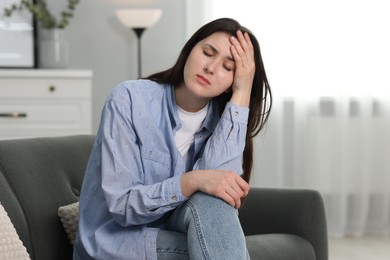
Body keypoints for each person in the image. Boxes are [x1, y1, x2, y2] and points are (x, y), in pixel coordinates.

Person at [73, 17, 272, 260]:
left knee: (213, 204)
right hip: (119, 244)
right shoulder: (129, 99)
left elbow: (219, 195)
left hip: (179, 231)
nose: (210, 67)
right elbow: (123, 206)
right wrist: (192, 180)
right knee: (215, 245)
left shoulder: (223, 122)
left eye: (228, 68)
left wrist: (242, 93)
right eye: (208, 52)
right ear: (190, 49)